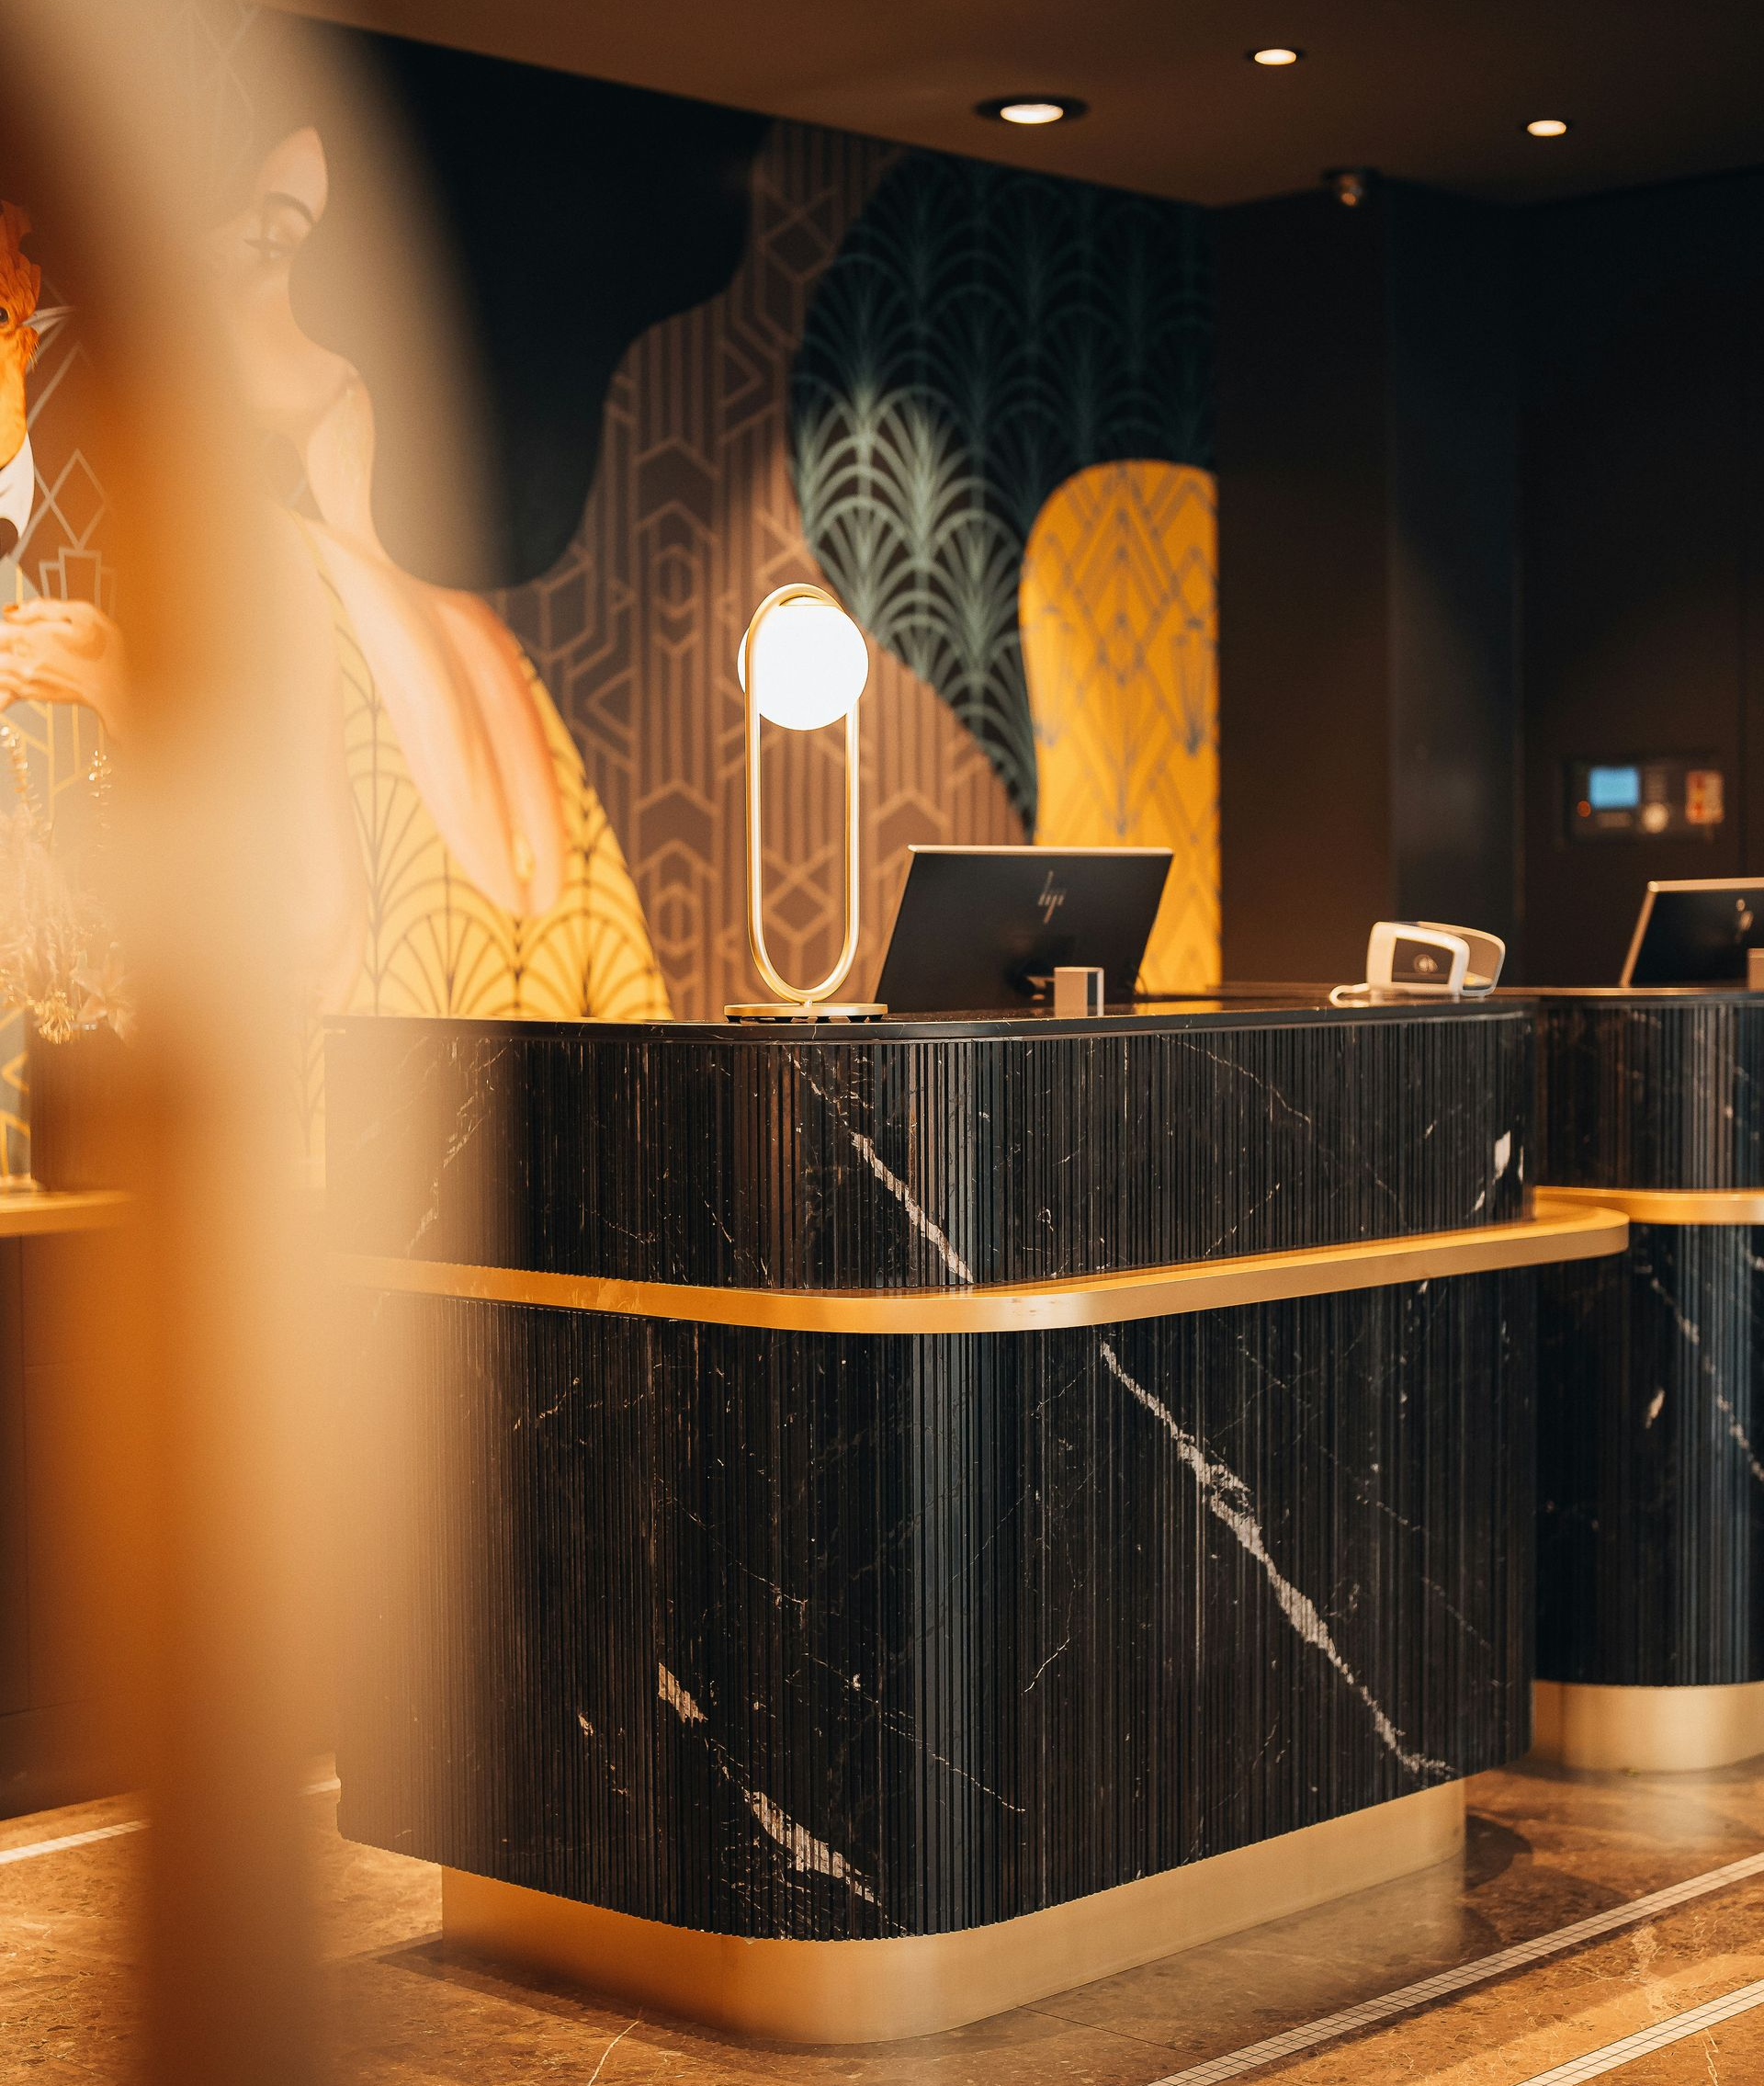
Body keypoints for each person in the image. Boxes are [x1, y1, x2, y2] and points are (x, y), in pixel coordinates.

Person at [0, 130, 672, 1161]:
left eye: (273, 243)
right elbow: (635, 1016)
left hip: (334, 1201)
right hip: (521, 1207)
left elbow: (303, 925)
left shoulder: (277, 561)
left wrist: (132, 704)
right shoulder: (489, 642)